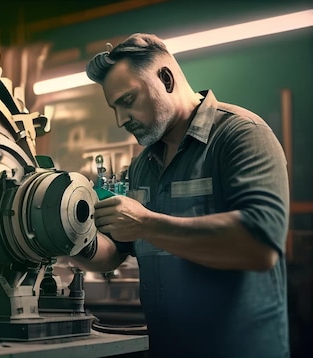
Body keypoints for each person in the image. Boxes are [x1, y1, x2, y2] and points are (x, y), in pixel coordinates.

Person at [71, 33, 290, 358]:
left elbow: (260, 245)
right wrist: (67, 236)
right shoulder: (144, 164)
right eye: (115, 108)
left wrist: (146, 223)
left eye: (127, 101)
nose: (121, 120)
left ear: (167, 78)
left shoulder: (241, 136)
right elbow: (116, 249)